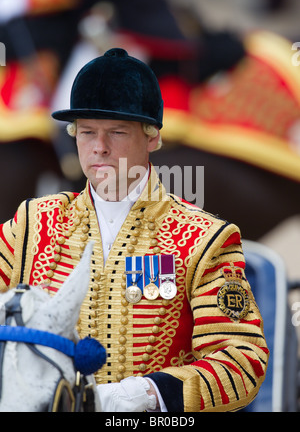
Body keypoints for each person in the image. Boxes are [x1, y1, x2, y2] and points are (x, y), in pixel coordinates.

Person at [0, 48, 269, 412]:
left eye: (117, 132)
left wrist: (149, 393)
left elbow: (241, 361)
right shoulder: (32, 224)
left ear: (153, 138)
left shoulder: (204, 237)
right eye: (87, 132)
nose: (99, 148)